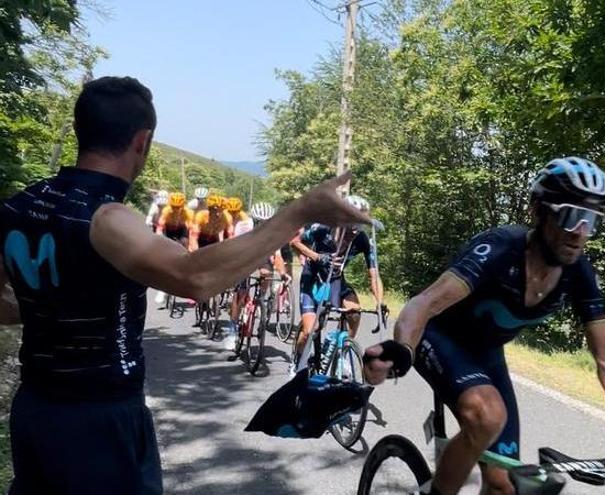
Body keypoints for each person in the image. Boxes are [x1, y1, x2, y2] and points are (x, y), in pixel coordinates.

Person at [0, 76, 369, 494]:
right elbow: (195, 278)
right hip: (101, 414)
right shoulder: (107, 216)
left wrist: (54, 303)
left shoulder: (19, 205)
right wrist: (298, 212)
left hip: (35, 408)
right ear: (142, 142)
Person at [363, 157, 605, 495]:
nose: (580, 232)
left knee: (504, 486)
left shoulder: (579, 273)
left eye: (590, 220)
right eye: (570, 215)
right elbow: (424, 304)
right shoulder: (500, 249)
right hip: (440, 337)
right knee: (488, 415)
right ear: (538, 210)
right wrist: (402, 349)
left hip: (487, 355)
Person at [290, 194, 384, 371]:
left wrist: (380, 303)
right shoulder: (322, 228)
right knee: (310, 331)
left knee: (354, 312)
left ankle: (340, 349)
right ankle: (297, 363)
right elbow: (295, 243)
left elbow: (374, 274)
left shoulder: (362, 239)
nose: (356, 229)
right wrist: (317, 257)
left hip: (336, 279)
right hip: (313, 278)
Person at [225, 202, 289, 352]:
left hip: (262, 255)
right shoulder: (243, 226)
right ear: (253, 219)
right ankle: (232, 330)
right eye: (259, 222)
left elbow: (277, 255)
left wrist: (283, 273)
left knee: (267, 274)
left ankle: (260, 299)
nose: (262, 225)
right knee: (240, 293)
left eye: (265, 222)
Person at [153, 192, 194, 305]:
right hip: (169, 230)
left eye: (178, 207)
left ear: (183, 206)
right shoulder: (166, 211)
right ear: (170, 205)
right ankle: (162, 289)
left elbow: (192, 232)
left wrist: (190, 248)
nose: (176, 209)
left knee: (185, 243)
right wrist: (159, 241)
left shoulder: (188, 213)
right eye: (174, 207)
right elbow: (160, 229)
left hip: (181, 230)